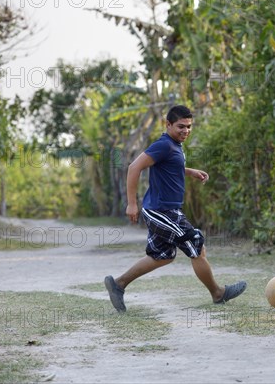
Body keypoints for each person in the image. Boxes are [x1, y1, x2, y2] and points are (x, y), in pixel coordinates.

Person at [105, 105, 247, 313]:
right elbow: (134, 167)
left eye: (189, 127)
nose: (186, 131)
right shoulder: (164, 144)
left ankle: (118, 284)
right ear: (168, 124)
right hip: (160, 210)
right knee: (196, 243)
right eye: (181, 126)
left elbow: (169, 167)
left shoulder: (173, 145)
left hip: (167, 210)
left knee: (162, 256)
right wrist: (132, 203)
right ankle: (218, 293)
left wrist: (190, 172)